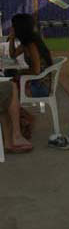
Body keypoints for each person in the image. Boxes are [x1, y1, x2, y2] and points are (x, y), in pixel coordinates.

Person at [1, 13, 53, 153]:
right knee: (10, 85)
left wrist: (21, 74)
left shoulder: (31, 44)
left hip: (40, 86)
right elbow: (12, 55)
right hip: (35, 82)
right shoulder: (26, 42)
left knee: (10, 90)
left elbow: (36, 70)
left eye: (13, 26)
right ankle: (18, 122)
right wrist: (11, 38)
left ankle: (21, 123)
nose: (11, 27)